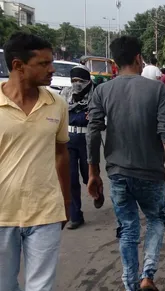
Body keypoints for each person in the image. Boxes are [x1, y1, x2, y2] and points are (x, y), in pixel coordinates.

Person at [87, 36, 165, 291]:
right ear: (139, 58)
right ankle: (147, 276)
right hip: (151, 173)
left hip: (117, 173)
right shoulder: (156, 91)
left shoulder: (102, 91)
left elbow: (93, 133)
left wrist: (93, 172)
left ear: (115, 62)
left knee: (128, 230)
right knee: (156, 219)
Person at [0, 32, 71, 291]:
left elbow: (61, 154)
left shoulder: (56, 103)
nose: (51, 69)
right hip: (3, 213)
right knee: (4, 289)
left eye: (51, 61)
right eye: (43, 63)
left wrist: (66, 202)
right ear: (18, 66)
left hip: (45, 211)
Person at [61, 65, 96, 229]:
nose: (77, 84)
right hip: (68, 139)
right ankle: (75, 215)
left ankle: (97, 191)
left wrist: (94, 116)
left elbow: (102, 117)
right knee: (71, 178)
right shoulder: (65, 94)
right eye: (74, 80)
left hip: (87, 140)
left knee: (88, 174)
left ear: (88, 81)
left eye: (80, 81)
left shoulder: (95, 95)